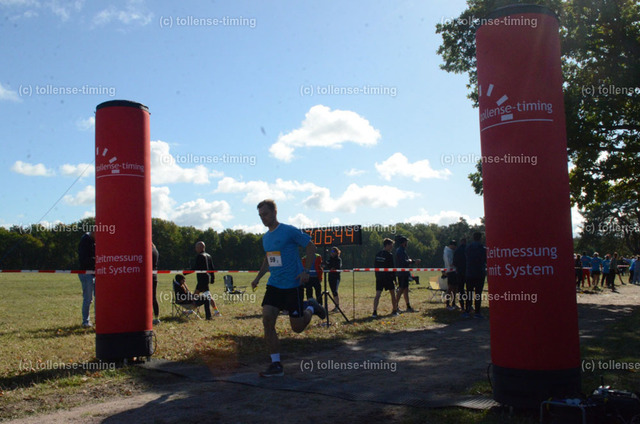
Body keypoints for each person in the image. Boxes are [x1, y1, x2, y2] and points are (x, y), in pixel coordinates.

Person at [251, 199, 326, 377]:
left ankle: (311, 307)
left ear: (274, 212)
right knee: (267, 319)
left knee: (297, 328)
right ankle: (276, 364)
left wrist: (306, 271)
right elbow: (268, 259)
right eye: (260, 215)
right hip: (274, 285)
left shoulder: (289, 231)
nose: (263, 218)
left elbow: (311, 247)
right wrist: (258, 278)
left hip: (293, 285)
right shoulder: (266, 238)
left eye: (265, 214)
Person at [372, 238, 399, 318]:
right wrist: (395, 279)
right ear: (387, 245)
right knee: (392, 294)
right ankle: (394, 311)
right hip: (388, 278)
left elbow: (375, 267)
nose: (392, 247)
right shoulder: (389, 255)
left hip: (379, 278)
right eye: (391, 246)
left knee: (377, 295)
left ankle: (374, 312)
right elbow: (392, 268)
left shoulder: (377, 254)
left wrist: (377, 276)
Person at [193, 241, 220, 316]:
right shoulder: (208, 256)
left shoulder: (200, 256)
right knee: (199, 295)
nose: (195, 249)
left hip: (201, 279)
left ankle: (216, 311)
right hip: (206, 279)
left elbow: (196, 267)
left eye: (196, 247)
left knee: (205, 296)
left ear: (200, 247)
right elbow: (212, 268)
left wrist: (186, 272)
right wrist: (212, 278)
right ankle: (216, 311)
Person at [464, 232, 486, 318]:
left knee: (469, 292)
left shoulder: (468, 248)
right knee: (478, 294)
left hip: (469, 273)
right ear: (481, 238)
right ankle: (477, 312)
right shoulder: (483, 249)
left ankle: (467, 310)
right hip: (479, 273)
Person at [396, 236, 420, 312]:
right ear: (403, 243)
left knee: (406, 289)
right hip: (402, 273)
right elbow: (404, 262)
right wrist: (413, 261)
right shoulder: (400, 251)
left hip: (405, 273)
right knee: (401, 289)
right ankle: (395, 306)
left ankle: (408, 306)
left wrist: (411, 261)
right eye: (406, 242)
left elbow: (406, 260)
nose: (407, 243)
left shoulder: (402, 250)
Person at [78, 231, 96, 328]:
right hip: (86, 273)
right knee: (88, 298)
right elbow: (84, 259)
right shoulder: (85, 241)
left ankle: (98, 318)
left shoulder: (93, 241)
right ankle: (85, 321)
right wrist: (97, 260)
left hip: (94, 272)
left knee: (98, 297)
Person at [443, 240, 459, 310]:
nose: (455, 248)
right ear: (452, 245)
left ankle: (453, 303)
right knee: (450, 288)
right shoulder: (447, 252)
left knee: (455, 288)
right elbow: (449, 262)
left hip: (454, 271)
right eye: (454, 246)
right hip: (450, 271)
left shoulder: (451, 251)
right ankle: (447, 304)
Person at [325, 246, 342, 312]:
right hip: (330, 277)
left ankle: (337, 306)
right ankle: (335, 306)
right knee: (333, 291)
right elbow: (327, 266)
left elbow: (337, 267)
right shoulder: (330, 259)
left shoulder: (338, 259)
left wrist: (332, 267)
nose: (331, 253)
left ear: (336, 252)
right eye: (331, 251)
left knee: (335, 291)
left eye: (333, 251)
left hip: (336, 277)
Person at [453, 238, 467, 311]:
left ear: (460, 242)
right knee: (469, 289)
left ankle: (462, 306)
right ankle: (469, 305)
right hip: (468, 272)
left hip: (460, 272)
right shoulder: (468, 249)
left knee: (461, 289)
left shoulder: (457, 250)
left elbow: (454, 262)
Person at [152, 242, 160, 325]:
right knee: (153, 298)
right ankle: (156, 317)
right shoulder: (155, 250)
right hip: (154, 276)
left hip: (149, 276)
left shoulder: (150, 250)